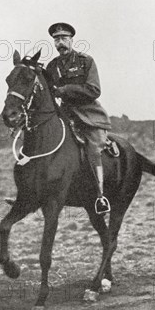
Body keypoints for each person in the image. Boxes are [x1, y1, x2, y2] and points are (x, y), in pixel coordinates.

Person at [47, 22, 113, 213]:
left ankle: (100, 196)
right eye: (57, 39)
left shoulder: (85, 61)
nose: (60, 42)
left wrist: (65, 90)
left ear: (71, 40)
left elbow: (94, 90)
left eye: (64, 38)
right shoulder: (52, 66)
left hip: (88, 114)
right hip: (65, 114)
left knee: (93, 149)